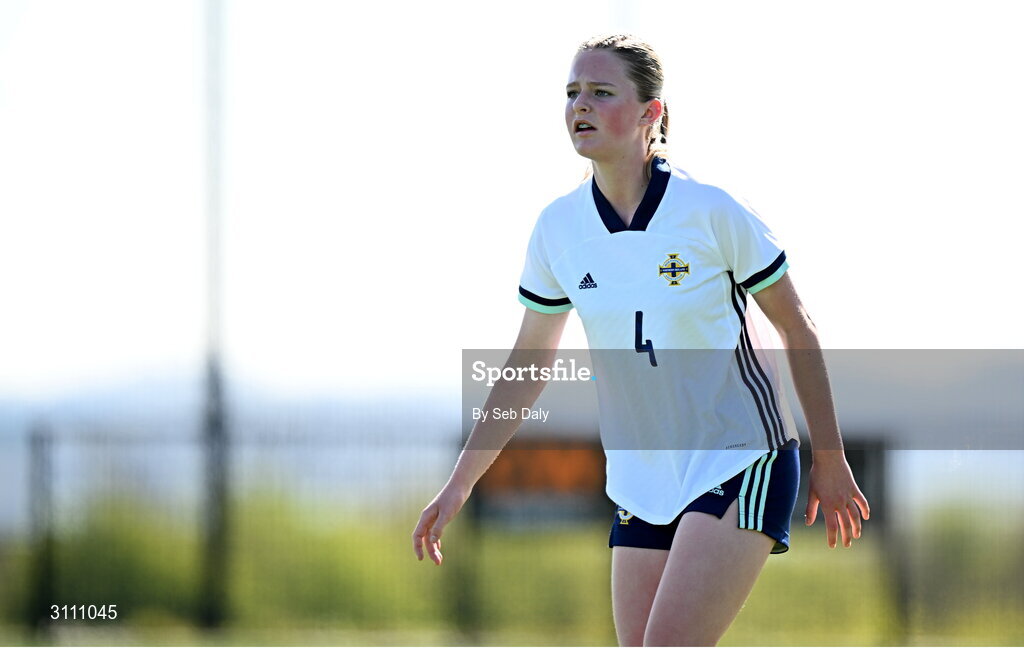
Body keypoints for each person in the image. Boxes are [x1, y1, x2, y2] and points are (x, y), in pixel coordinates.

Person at [413, 33, 870, 646]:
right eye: (573, 93)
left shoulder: (710, 212)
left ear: (651, 114)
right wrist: (460, 482)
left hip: (742, 458)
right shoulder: (557, 230)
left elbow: (797, 326)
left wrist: (830, 459)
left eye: (602, 92)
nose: (582, 105)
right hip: (640, 482)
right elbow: (528, 365)